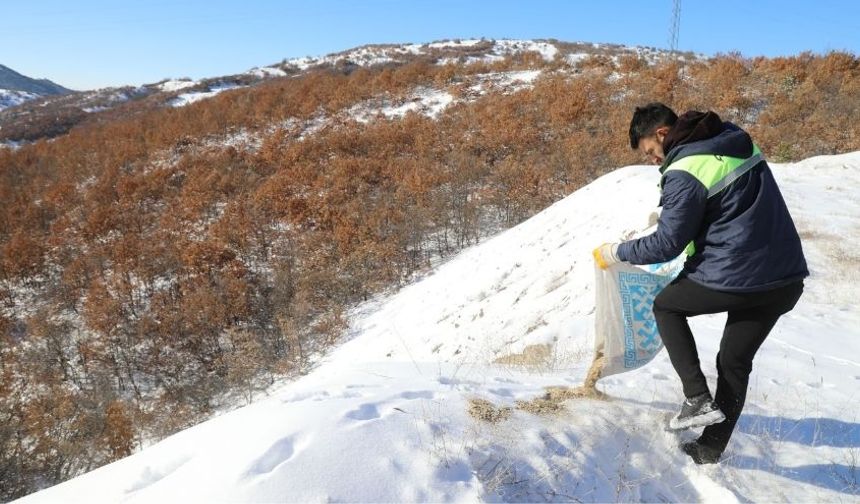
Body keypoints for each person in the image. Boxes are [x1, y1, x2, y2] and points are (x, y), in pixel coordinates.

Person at [592, 103, 808, 464]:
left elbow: (666, 244)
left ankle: (696, 398)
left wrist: (617, 252)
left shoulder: (684, 168)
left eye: (649, 151)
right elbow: (730, 208)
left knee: (667, 306)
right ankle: (709, 449)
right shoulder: (732, 141)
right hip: (784, 279)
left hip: (739, 276)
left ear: (662, 134)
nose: (652, 160)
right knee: (734, 361)